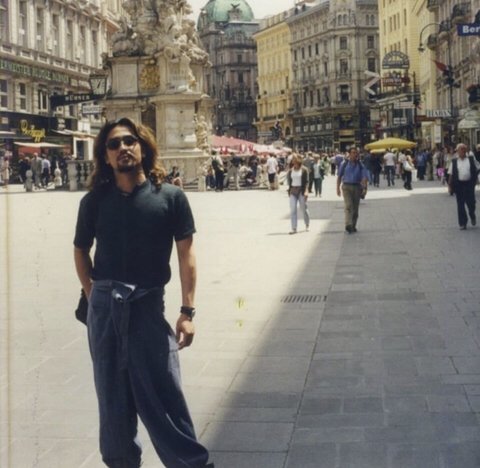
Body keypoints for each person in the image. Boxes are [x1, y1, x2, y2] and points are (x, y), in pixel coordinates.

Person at [73, 117, 213, 468]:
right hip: (105, 308)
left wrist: (187, 311)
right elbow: (80, 250)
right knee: (112, 398)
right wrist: (94, 295)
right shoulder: (93, 201)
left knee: (164, 394)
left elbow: (186, 255)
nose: (123, 148)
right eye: (114, 144)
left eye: (129, 141)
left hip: (147, 306)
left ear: (143, 147)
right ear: (105, 156)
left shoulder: (170, 197)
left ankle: (190, 464)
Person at [448, 142, 480, 230]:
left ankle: (472, 215)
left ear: (466, 151)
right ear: (457, 151)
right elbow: (451, 174)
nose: (462, 151)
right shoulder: (454, 161)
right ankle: (463, 223)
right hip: (459, 185)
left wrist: (475, 178)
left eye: (463, 149)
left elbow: (478, 167)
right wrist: (450, 186)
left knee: (471, 203)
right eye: (460, 150)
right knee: (460, 205)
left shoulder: (471, 159)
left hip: (469, 184)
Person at [337, 147, 368, 234]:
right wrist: (337, 188)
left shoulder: (360, 165)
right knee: (348, 205)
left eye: (356, 153)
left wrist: (365, 188)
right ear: (349, 154)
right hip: (346, 187)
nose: (355, 154)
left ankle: (353, 225)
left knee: (355, 208)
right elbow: (339, 176)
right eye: (353, 153)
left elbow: (364, 177)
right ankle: (348, 224)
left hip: (357, 187)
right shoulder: (344, 164)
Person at [286, 154, 309, 234]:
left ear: (299, 160)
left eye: (295, 159)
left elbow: (307, 182)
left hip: (301, 190)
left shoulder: (304, 170)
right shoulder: (290, 171)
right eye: (293, 159)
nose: (293, 160)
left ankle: (307, 224)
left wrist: (306, 191)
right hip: (293, 191)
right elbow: (289, 181)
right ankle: (294, 228)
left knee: (303, 208)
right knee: (293, 210)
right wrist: (289, 190)